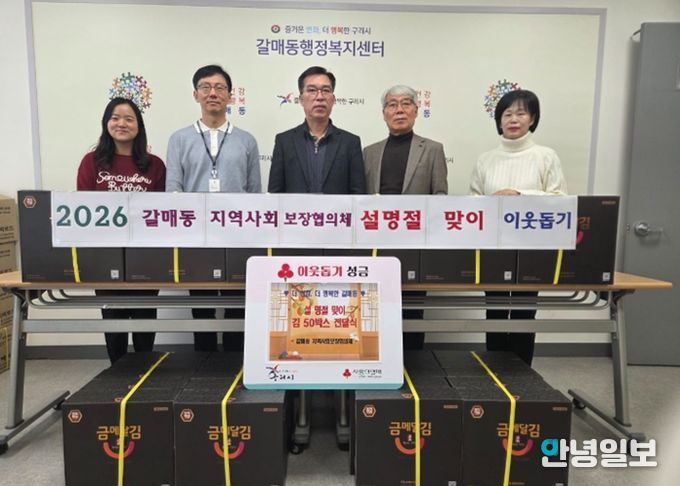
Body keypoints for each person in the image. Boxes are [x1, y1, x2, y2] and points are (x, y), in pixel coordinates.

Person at [166, 64, 261, 352]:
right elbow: (173, 189)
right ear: (195, 94)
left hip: (237, 235)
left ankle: (234, 359)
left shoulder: (247, 140)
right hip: (197, 236)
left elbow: (254, 193)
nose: (213, 93)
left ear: (230, 96)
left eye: (220, 88)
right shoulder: (179, 139)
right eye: (205, 87)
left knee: (236, 303)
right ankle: (203, 360)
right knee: (201, 304)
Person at [470, 89, 567, 366]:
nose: (514, 119)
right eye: (507, 114)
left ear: (532, 119)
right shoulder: (486, 159)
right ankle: (495, 371)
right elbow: (473, 200)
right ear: (499, 121)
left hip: (532, 247)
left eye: (521, 113)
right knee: (495, 310)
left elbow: (560, 199)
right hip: (493, 246)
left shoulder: (546, 156)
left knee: (525, 311)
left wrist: (520, 195)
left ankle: (523, 374)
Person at [76, 97, 165, 364]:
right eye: (115, 118)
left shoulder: (154, 165)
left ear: (139, 126)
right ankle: (116, 373)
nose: (121, 124)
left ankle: (144, 372)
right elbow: (83, 208)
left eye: (129, 119)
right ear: (106, 123)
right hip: (105, 255)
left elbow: (163, 212)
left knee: (144, 318)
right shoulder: (91, 162)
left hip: (145, 255)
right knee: (113, 319)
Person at [363, 85, 448, 350]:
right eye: (392, 104)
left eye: (406, 103)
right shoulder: (369, 152)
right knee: (377, 304)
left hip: (415, 243)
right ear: (384, 113)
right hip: (376, 243)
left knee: (413, 308)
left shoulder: (432, 149)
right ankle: (381, 356)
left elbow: (440, 197)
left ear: (416, 110)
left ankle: (415, 362)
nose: (399, 110)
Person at [267, 66, 366, 194]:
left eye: (325, 90)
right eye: (312, 90)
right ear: (301, 100)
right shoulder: (285, 141)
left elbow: (358, 195)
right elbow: (275, 195)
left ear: (333, 100)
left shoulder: (350, 143)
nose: (320, 97)